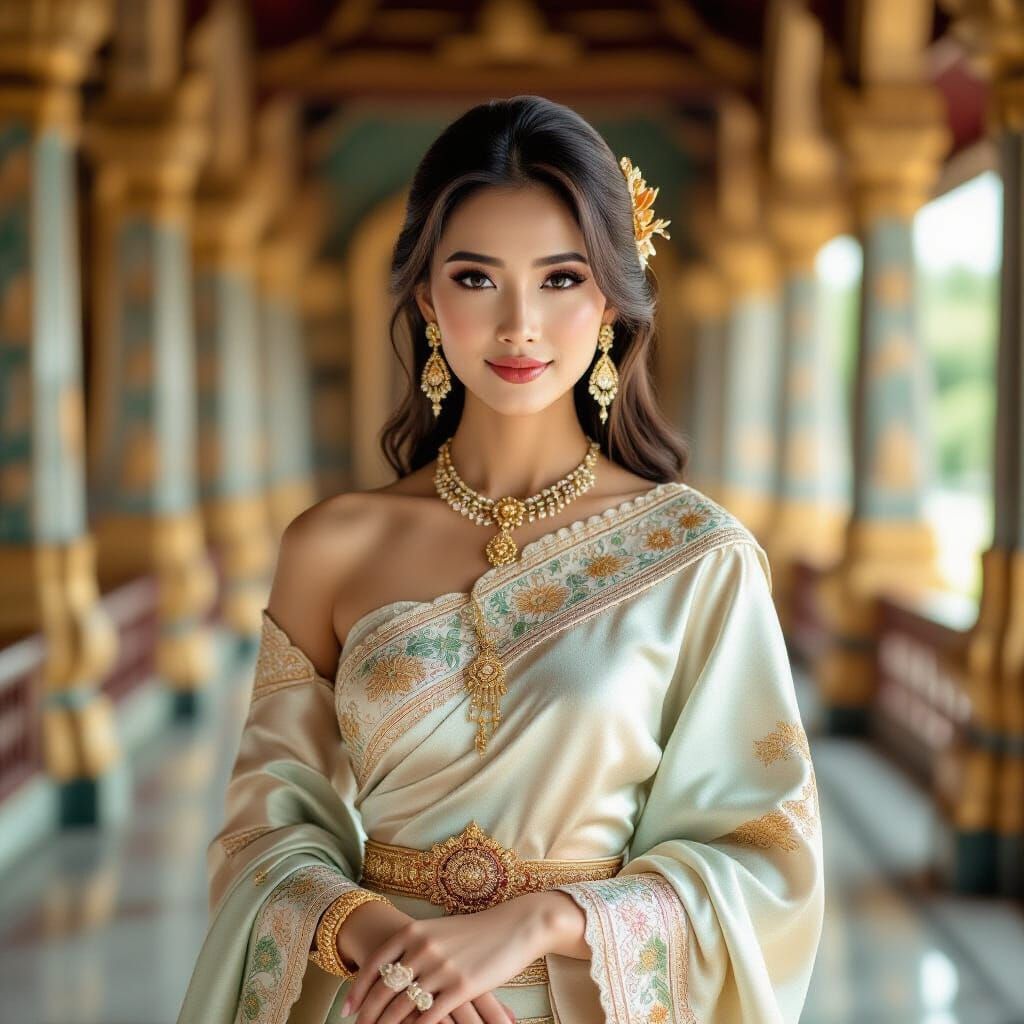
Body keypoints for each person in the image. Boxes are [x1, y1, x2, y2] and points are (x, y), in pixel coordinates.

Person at [176, 94, 823, 1024]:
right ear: (427, 298)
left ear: (609, 298)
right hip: (374, 1001)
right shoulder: (331, 546)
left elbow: (766, 853)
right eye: (477, 279)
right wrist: (387, 944)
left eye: (560, 279)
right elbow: (261, 840)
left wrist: (537, 924)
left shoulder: (697, 558)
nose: (520, 323)